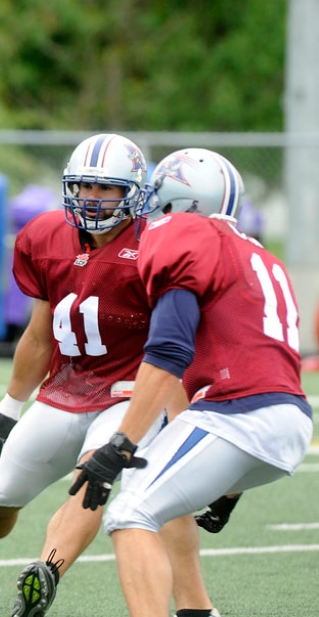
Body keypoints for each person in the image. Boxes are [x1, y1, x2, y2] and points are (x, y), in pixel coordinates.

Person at [0, 134, 216, 617]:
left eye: (106, 189)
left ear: (133, 192)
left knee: (92, 476)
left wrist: (176, 420)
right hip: (65, 388)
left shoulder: (157, 245)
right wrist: (9, 407)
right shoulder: (44, 236)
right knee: (1, 496)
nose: (92, 198)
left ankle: (47, 570)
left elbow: (177, 348)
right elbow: (39, 333)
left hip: (127, 392)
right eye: (83, 186)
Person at [71, 148, 312, 617]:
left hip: (238, 413)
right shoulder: (260, 254)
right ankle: (197, 611)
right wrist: (228, 488)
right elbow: (250, 357)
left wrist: (122, 442)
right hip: (285, 417)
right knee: (152, 495)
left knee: (128, 512)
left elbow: (168, 352)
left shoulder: (183, 234)